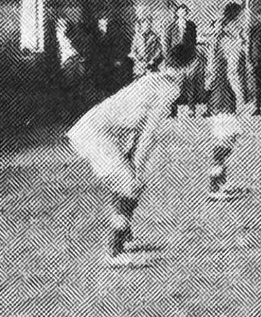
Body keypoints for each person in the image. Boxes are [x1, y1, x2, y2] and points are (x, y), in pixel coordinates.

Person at [65, 29, 200, 267]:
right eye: (196, 67)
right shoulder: (169, 88)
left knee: (132, 183)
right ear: (189, 67)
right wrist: (135, 169)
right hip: (95, 133)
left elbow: (139, 130)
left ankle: (124, 237)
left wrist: (135, 166)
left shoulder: (155, 78)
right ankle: (114, 253)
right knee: (129, 183)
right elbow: (148, 133)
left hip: (97, 130)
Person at [205, 2, 248, 201]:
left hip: (218, 93)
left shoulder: (221, 37)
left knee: (228, 138)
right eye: (243, 17)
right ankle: (214, 187)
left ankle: (221, 181)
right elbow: (232, 72)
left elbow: (211, 72)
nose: (245, 21)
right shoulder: (230, 40)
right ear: (235, 20)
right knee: (225, 140)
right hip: (225, 94)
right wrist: (241, 98)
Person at [166, 4, 198, 117]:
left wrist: (192, 58)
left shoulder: (191, 26)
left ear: (187, 13)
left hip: (188, 59)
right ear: (177, 13)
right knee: (174, 86)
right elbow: (167, 45)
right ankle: (173, 111)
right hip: (175, 60)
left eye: (185, 12)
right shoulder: (170, 27)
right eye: (180, 11)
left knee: (189, 84)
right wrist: (169, 60)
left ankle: (191, 110)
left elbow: (194, 43)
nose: (183, 14)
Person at [127, 11, 164, 79]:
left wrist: (151, 61)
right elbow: (133, 50)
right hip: (138, 67)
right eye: (145, 23)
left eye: (149, 24)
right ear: (142, 24)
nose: (147, 26)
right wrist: (138, 60)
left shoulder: (154, 37)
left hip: (151, 67)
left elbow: (158, 51)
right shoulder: (137, 37)